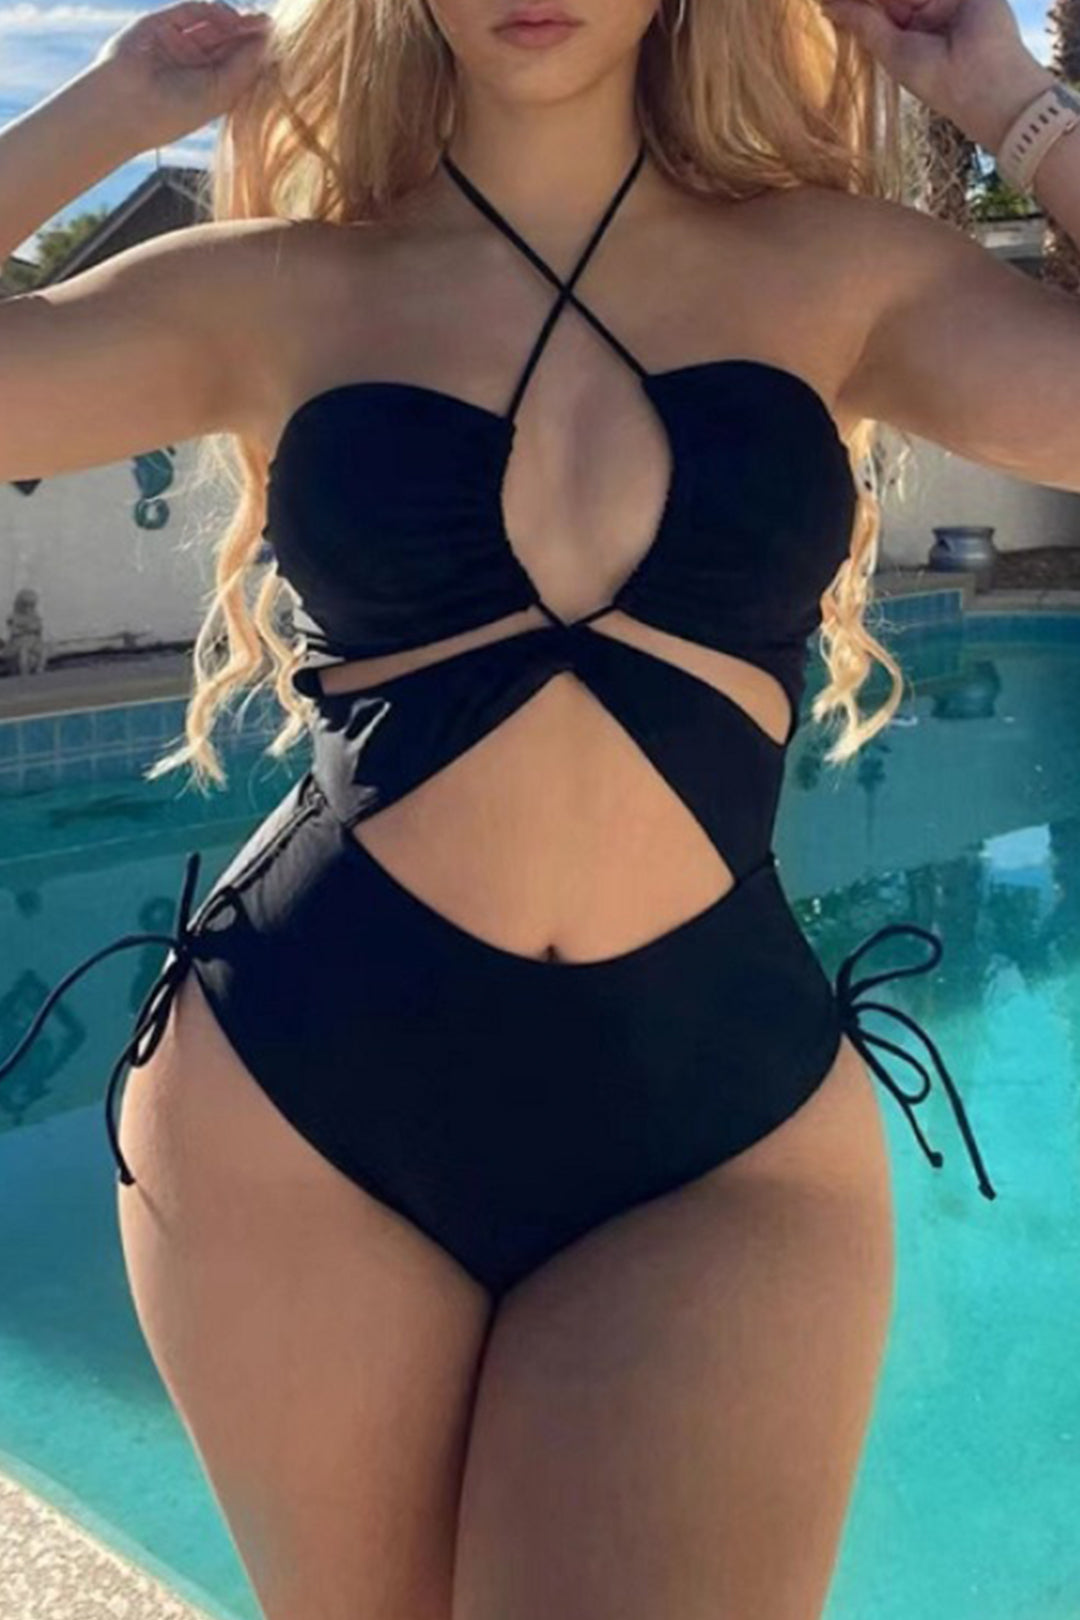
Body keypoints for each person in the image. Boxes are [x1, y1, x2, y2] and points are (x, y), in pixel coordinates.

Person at [1, 0, 1077, 1614]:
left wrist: (1007, 97)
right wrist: (109, 109)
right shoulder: (283, 286)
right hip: (297, 1107)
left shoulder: (836, 270)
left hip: (717, 1123)